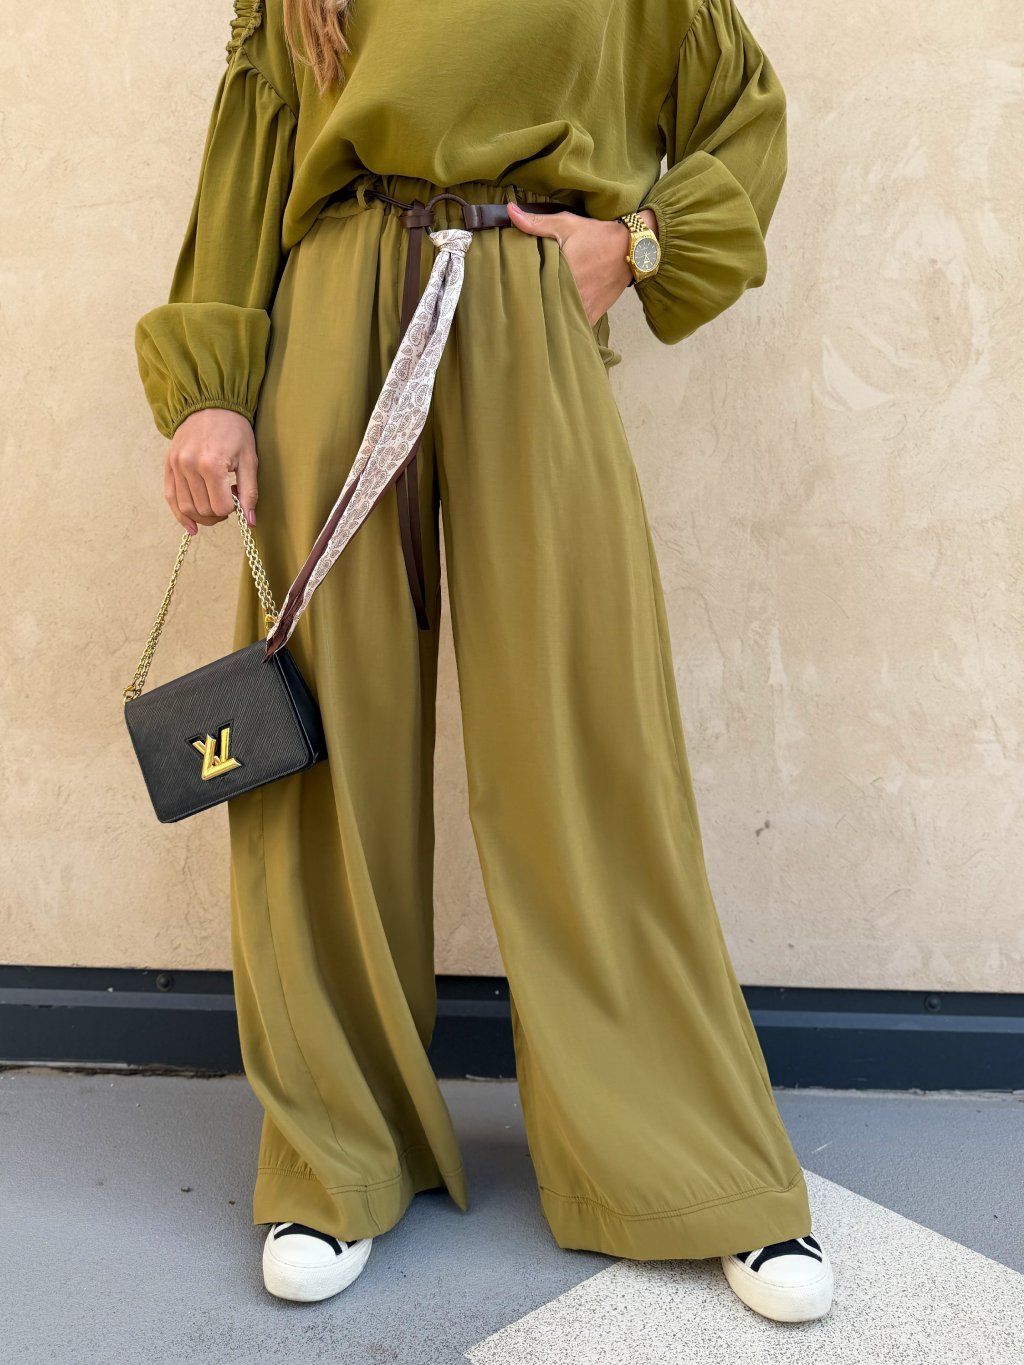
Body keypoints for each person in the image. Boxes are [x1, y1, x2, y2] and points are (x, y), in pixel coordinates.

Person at [134, 0, 834, 1323]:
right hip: (337, 299)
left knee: (585, 732)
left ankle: (689, 1166)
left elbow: (740, 111)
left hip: (525, 299)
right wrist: (215, 384)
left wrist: (640, 241)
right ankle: (333, 1157)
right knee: (321, 742)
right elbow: (256, 145)